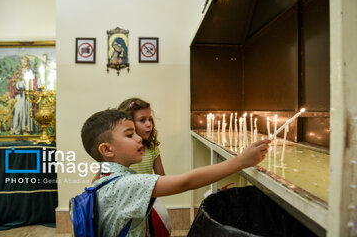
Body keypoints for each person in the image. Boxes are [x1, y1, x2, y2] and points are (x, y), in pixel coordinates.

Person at [81, 109, 270, 237]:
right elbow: (185, 182)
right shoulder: (126, 184)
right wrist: (240, 161)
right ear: (106, 150)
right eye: (129, 135)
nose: (139, 138)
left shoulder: (104, 179)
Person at [91, 97, 171, 235]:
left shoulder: (152, 149)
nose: (149, 125)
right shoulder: (116, 153)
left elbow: (161, 177)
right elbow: (97, 180)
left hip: (146, 200)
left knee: (162, 227)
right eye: (142, 120)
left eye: (150, 119)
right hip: (123, 204)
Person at [8, 56, 38, 134]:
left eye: (25, 62)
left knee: (28, 111)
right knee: (17, 110)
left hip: (28, 95)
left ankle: (26, 129)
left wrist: (31, 87)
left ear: (28, 62)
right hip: (19, 94)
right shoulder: (18, 72)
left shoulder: (30, 72)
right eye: (22, 62)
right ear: (20, 63)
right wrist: (18, 84)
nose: (24, 63)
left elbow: (34, 84)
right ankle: (15, 128)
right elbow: (12, 82)